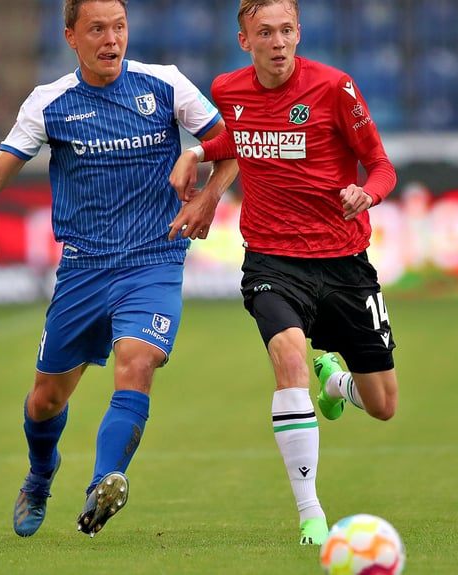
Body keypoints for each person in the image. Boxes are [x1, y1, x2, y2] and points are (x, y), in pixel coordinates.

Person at [0, 0, 236, 538]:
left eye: (119, 27)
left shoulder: (167, 85)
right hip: (84, 271)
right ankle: (39, 474)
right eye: (97, 29)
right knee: (45, 401)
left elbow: (233, 144)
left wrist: (207, 194)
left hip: (154, 259)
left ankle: (105, 483)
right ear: (70, 37)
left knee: (138, 362)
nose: (111, 40)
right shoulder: (49, 102)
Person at [169, 0, 399, 546]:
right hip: (272, 260)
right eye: (265, 32)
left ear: (300, 33)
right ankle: (311, 514)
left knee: (384, 405)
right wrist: (198, 152)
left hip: (345, 265)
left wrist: (367, 194)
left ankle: (337, 381)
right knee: (288, 355)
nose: (278, 41)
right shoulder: (228, 89)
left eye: (287, 30)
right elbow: (242, 139)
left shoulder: (335, 88)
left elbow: (382, 164)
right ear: (245, 40)